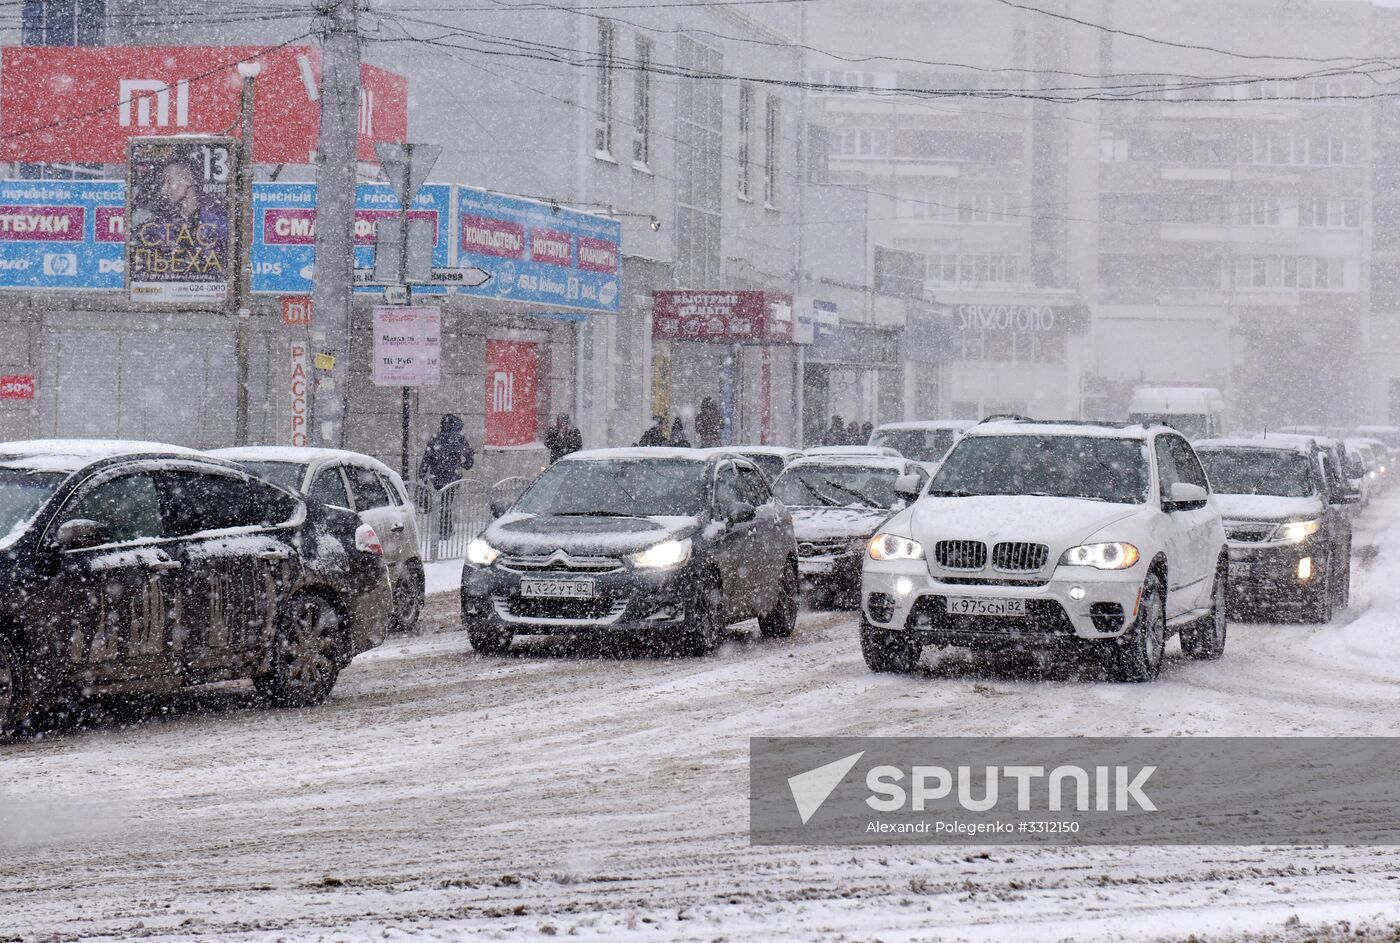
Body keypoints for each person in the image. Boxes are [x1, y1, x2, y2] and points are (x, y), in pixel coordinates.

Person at [418, 414, 475, 490]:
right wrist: (463, 465)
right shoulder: (459, 438)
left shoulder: (436, 438)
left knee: (438, 496)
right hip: (453, 476)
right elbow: (469, 458)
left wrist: (422, 473)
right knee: (449, 497)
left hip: (436, 475)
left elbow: (427, 457)